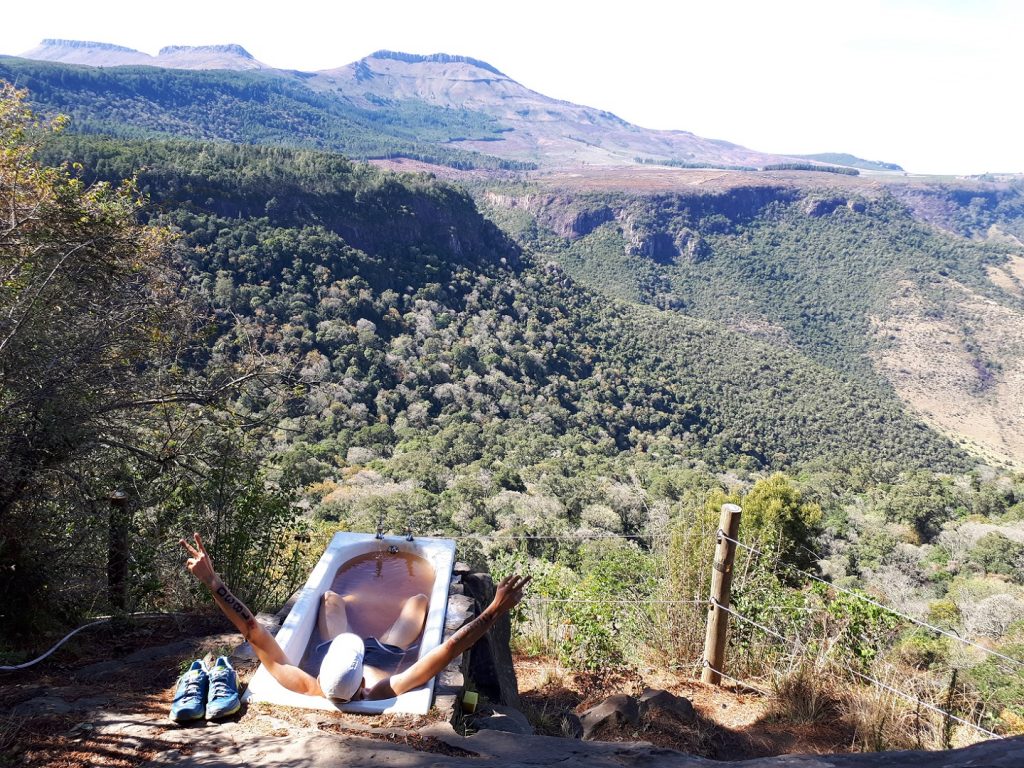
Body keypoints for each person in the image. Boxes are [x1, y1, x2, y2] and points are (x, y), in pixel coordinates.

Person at [179, 532, 530, 702]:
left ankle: (352, 605)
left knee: (331, 598)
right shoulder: (381, 687)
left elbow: (252, 630)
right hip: (384, 654)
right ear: (361, 683)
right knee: (420, 600)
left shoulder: (303, 682)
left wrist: (214, 582)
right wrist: (495, 609)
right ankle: (379, 606)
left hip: (333, 649)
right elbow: (450, 647)